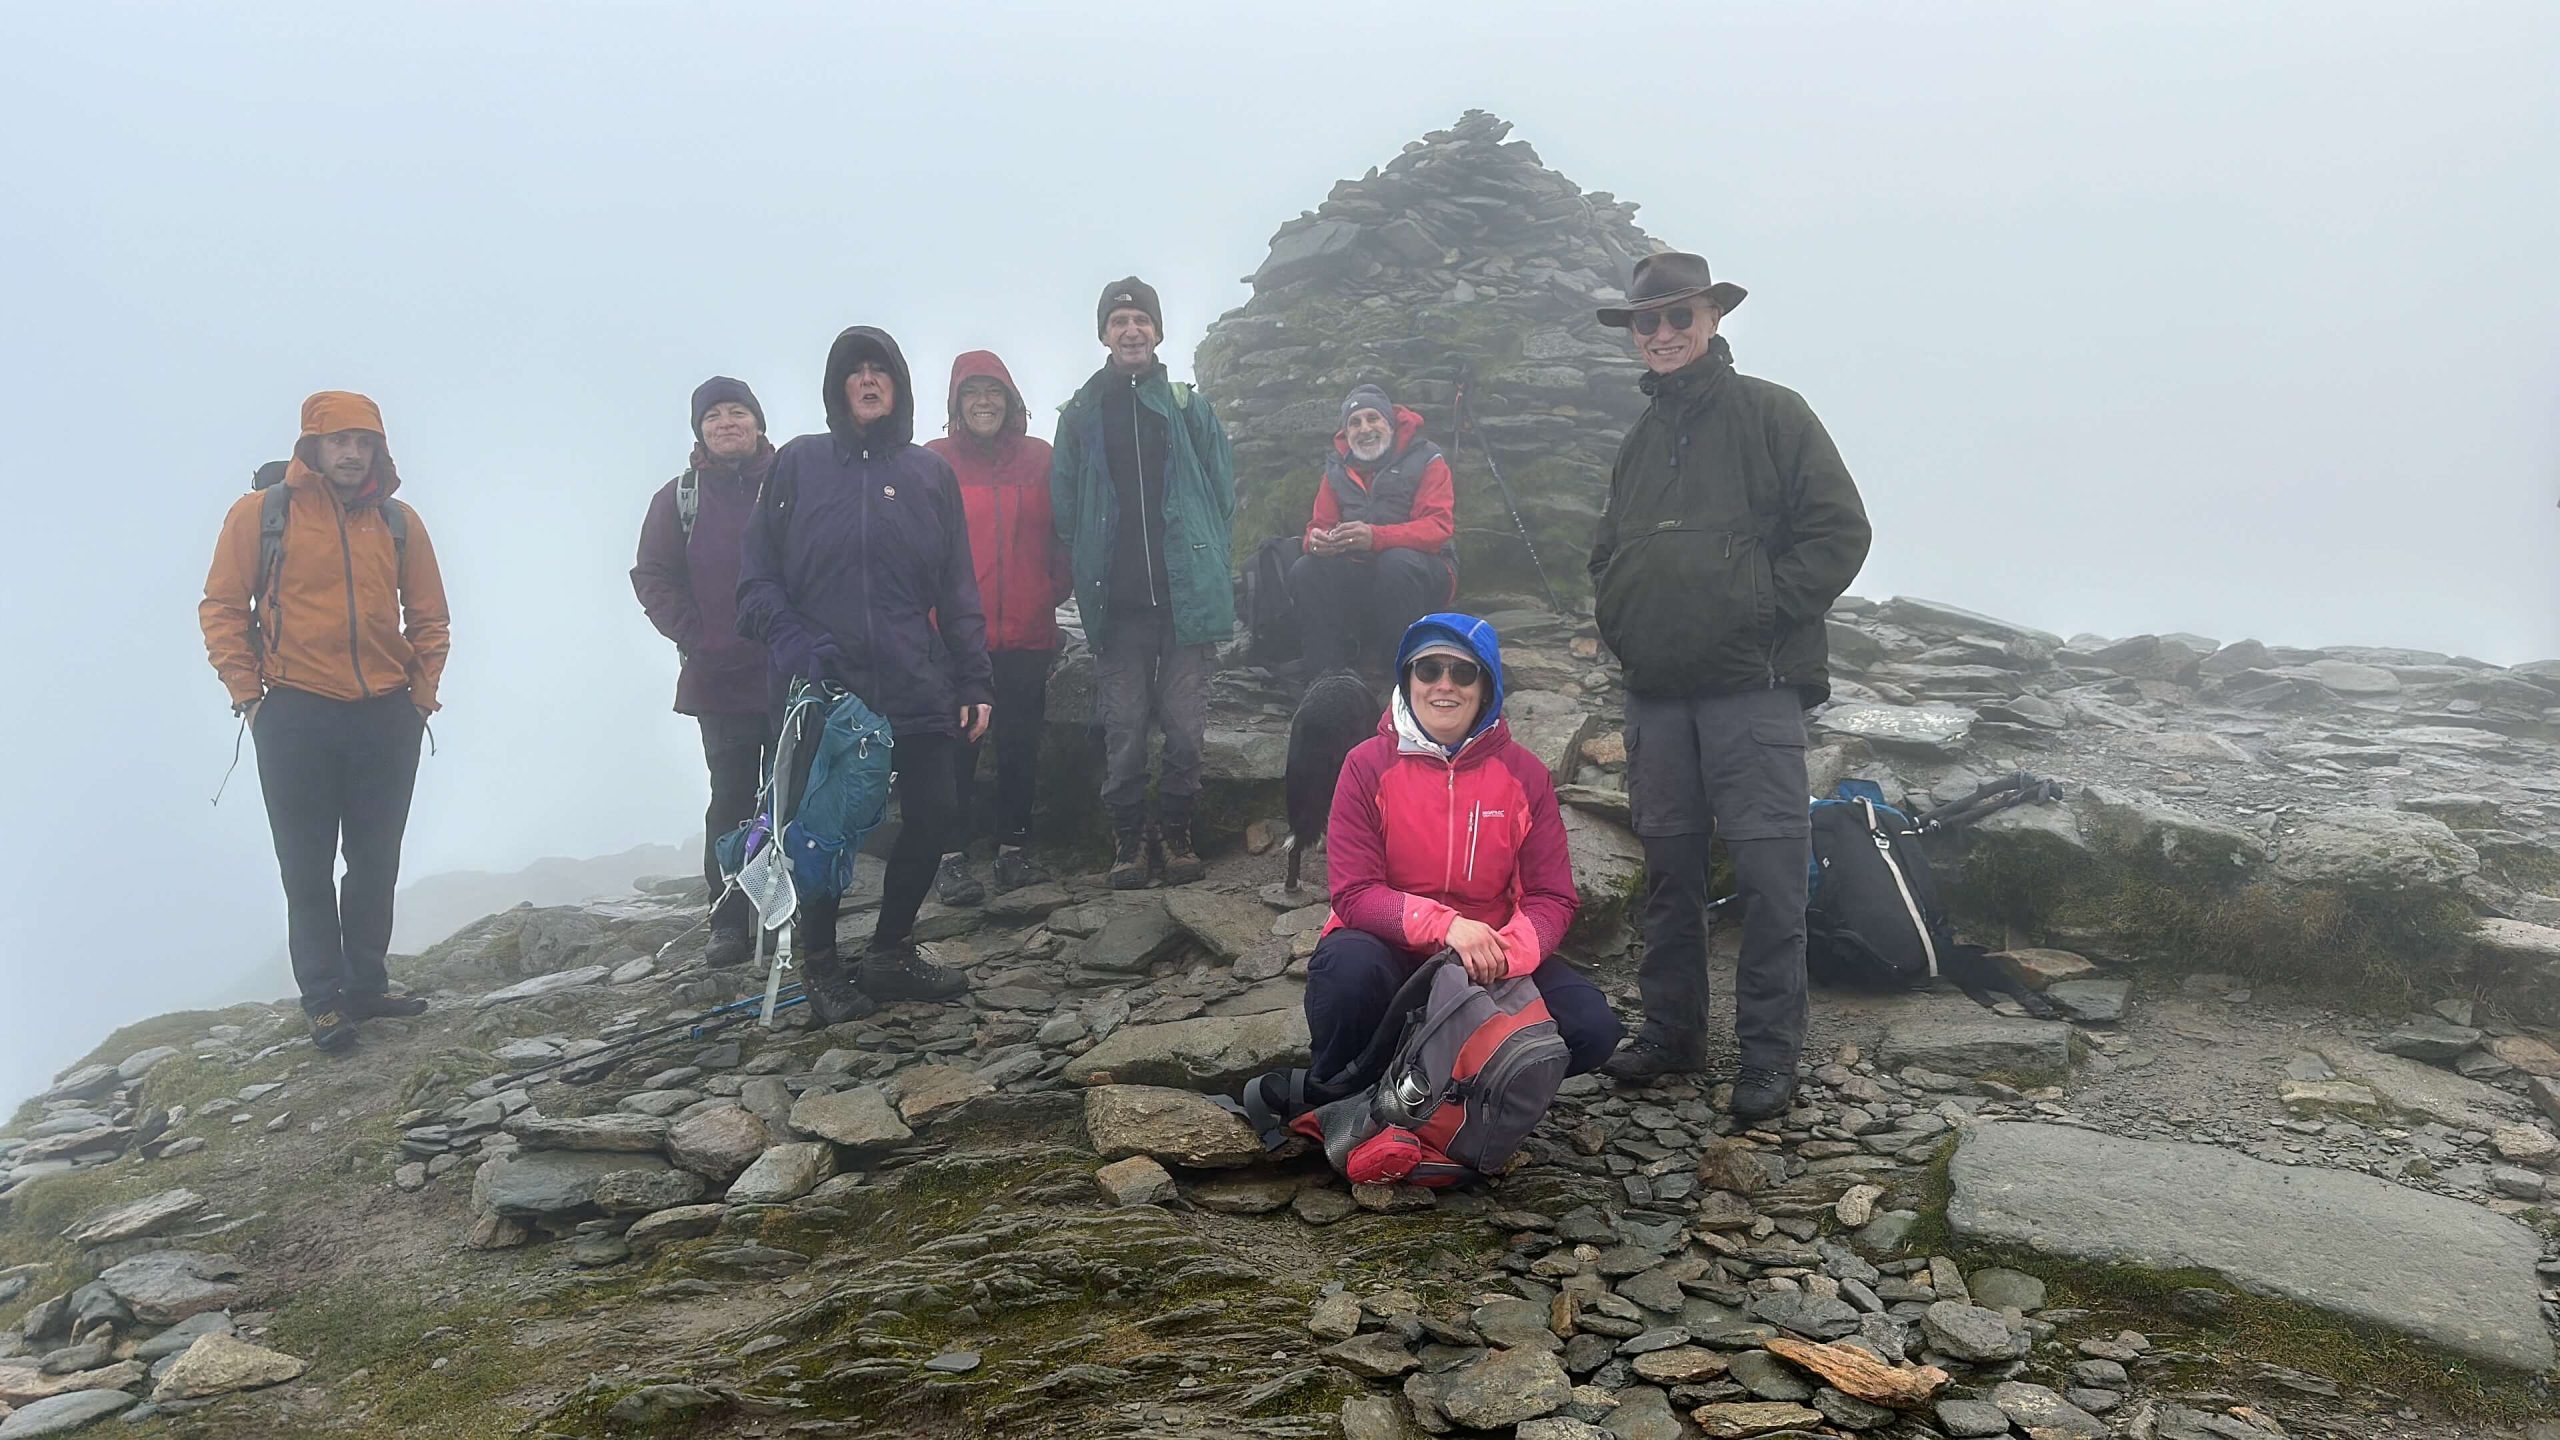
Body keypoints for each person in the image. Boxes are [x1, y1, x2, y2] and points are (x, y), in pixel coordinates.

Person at [1585, 252, 1872, 1118]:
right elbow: (1610, 556)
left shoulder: (1774, 414)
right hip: (1660, 696)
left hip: (1754, 687)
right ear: (1635, 335)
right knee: (1669, 874)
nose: (1665, 334)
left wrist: (1759, 615)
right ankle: (1673, 1034)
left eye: (1681, 317)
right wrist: (1623, 623)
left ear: (1713, 320)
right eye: (1649, 322)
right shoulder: (1638, 443)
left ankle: (1768, 1056)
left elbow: (1839, 531)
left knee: (1769, 876)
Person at [736, 327, 991, 1022]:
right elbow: (755, 581)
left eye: (882, 371)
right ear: (837, 387)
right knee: (821, 829)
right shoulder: (797, 466)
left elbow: (959, 588)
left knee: (937, 812)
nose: (870, 380)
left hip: (915, 677)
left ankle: (889, 952)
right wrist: (793, 643)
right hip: (823, 684)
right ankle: (820, 964)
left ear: (900, 388)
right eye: (857, 372)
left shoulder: (928, 475)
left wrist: (974, 679)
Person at [201, 391, 450, 1054]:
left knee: (374, 862)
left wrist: (420, 699)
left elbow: (430, 617)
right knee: (305, 867)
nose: (351, 452)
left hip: (386, 713)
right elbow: (222, 608)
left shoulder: (399, 523)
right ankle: (323, 999)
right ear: (311, 445)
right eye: (338, 440)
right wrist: (250, 698)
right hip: (294, 711)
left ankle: (366, 984)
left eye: (363, 441)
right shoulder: (262, 514)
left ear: (379, 449)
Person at [1302, 614, 1622, 1082]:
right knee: (1347, 973)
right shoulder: (1366, 764)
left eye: (1463, 672)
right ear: (1408, 679)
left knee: (1592, 1028)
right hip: (1387, 944)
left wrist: (1505, 955)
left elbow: (1552, 896)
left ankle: (1461, 1093)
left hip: (1489, 950)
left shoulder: (1525, 774)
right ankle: (1339, 1091)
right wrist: (1446, 927)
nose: (1443, 685)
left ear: (1487, 686)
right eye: (1427, 669)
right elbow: (1354, 892)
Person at [1052, 277, 1237, 889]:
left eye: (1140, 319)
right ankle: (1129, 839)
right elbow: (1064, 503)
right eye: (1118, 321)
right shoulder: (1081, 414)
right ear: (1103, 334)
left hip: (1183, 605)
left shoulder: (1188, 406)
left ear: (1158, 331)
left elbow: (1221, 494)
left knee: (1185, 726)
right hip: (1120, 606)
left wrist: (1206, 563)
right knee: (1125, 729)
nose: (1130, 330)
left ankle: (1177, 830)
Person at [631, 376, 777, 968]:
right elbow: (652, 577)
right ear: (700, 432)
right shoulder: (679, 498)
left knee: (798, 799)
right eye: (713, 416)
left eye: (736, 411)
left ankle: (794, 913)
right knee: (733, 800)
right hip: (719, 680)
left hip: (794, 671)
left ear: (758, 422)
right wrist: (699, 637)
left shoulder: (791, 481)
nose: (726, 423)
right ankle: (728, 919)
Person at [925, 352, 1072, 903]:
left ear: (1011, 400)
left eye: (993, 392)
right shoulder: (934, 460)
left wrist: (1047, 589)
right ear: (956, 404)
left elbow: (1063, 535)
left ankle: (1015, 850)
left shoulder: (1040, 458)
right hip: (957, 640)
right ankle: (951, 857)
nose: (983, 402)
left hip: (1028, 634)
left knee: (1019, 746)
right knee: (955, 749)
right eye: (971, 393)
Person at [1289, 384, 1457, 677]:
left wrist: (1376, 537)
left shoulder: (1428, 458)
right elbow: (1318, 524)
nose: (1364, 429)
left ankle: (1402, 677)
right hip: (1362, 574)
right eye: (1354, 423)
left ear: (1389, 423)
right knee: (1306, 569)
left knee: (1396, 563)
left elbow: (1437, 528)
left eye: (1373, 418)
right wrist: (1315, 542)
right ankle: (1325, 677)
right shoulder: (1336, 470)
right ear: (1346, 433)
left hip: (1423, 572)